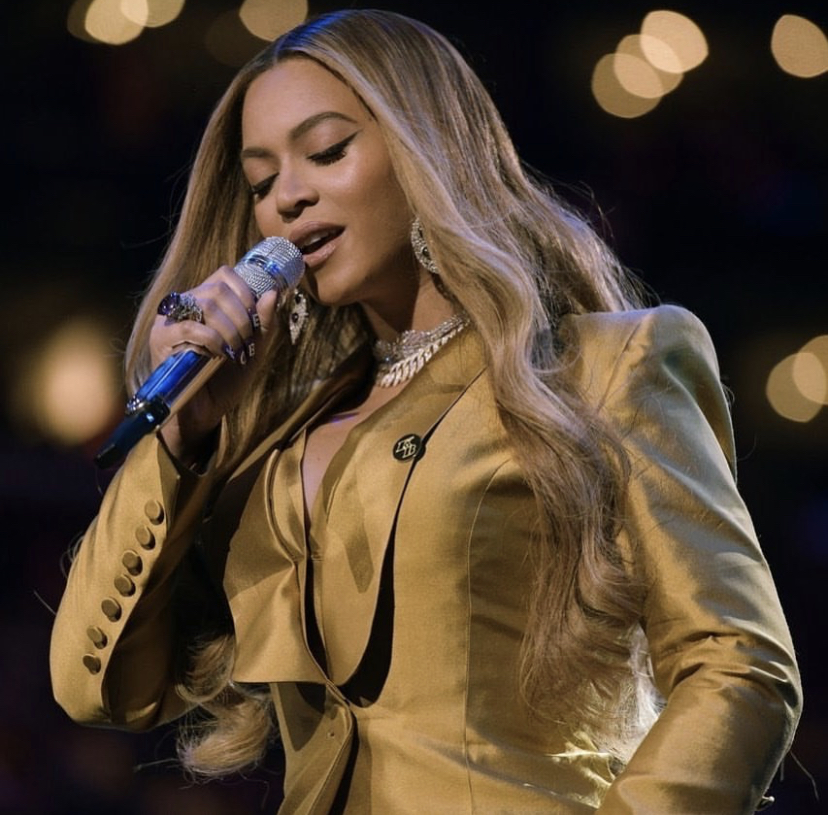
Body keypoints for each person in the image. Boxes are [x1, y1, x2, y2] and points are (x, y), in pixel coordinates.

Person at [50, 9, 801, 814]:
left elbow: (739, 665)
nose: (288, 199)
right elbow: (97, 689)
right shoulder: (274, 445)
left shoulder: (605, 367)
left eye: (327, 151)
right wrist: (184, 435)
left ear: (426, 149)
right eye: (262, 183)